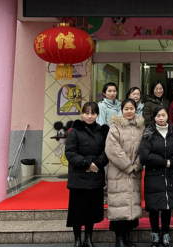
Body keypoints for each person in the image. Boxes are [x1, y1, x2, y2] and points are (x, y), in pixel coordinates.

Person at [65, 102, 110, 247]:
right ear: (82, 114)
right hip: (78, 178)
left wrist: (96, 163)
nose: (89, 116)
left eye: (92, 113)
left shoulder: (102, 131)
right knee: (77, 210)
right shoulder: (74, 132)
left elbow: (106, 152)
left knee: (91, 209)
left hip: (95, 176)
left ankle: (88, 238)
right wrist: (87, 163)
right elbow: (70, 153)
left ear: (97, 115)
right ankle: (77, 239)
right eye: (86, 113)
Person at [105, 98, 145, 247]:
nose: (129, 111)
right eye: (126, 109)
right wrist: (128, 165)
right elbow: (112, 148)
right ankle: (119, 239)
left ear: (136, 110)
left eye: (131, 109)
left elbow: (145, 148)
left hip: (135, 171)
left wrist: (137, 164)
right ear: (121, 110)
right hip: (118, 171)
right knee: (119, 204)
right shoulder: (115, 127)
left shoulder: (141, 127)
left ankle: (127, 237)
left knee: (131, 204)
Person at [139, 106, 173, 247]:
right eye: (158, 115)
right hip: (153, 175)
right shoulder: (148, 133)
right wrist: (164, 162)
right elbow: (145, 156)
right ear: (154, 117)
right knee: (154, 207)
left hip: (170, 175)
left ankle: (166, 234)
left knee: (167, 207)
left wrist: (172, 162)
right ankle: (155, 235)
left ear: (167, 116)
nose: (161, 118)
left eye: (163, 115)